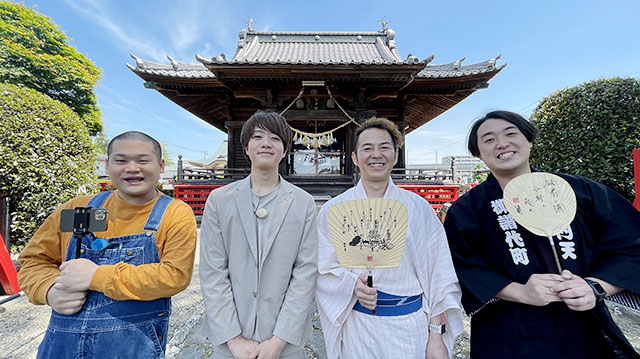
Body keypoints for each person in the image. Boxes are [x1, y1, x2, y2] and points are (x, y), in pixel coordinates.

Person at [444, 110, 640, 359]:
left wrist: (594, 287)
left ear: (529, 140)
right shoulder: (467, 210)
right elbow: (462, 264)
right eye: (489, 139)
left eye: (511, 133)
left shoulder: (581, 191)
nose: (502, 143)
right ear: (478, 154)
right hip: (508, 330)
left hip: (583, 324)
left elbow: (631, 243)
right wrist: (520, 292)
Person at [18, 131, 197, 358]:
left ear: (160, 166)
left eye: (143, 160)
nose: (132, 168)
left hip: (133, 345)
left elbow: (174, 276)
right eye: (121, 160)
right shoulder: (77, 208)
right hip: (63, 343)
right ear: (107, 165)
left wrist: (97, 277)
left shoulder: (175, 213)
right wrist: (48, 290)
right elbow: (34, 260)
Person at [315, 117, 464, 359]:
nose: (376, 154)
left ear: (395, 155)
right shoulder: (335, 210)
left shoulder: (417, 208)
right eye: (367, 148)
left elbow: (439, 273)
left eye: (384, 147)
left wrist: (436, 334)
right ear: (354, 158)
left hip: (410, 328)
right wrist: (351, 284)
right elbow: (322, 268)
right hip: (358, 327)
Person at [199, 111, 317, 359]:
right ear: (246, 147)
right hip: (230, 340)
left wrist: (279, 340)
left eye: (275, 138)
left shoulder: (303, 202)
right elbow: (212, 272)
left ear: (285, 150)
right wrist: (234, 339)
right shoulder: (220, 200)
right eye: (258, 137)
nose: (266, 143)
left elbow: (306, 272)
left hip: (285, 342)